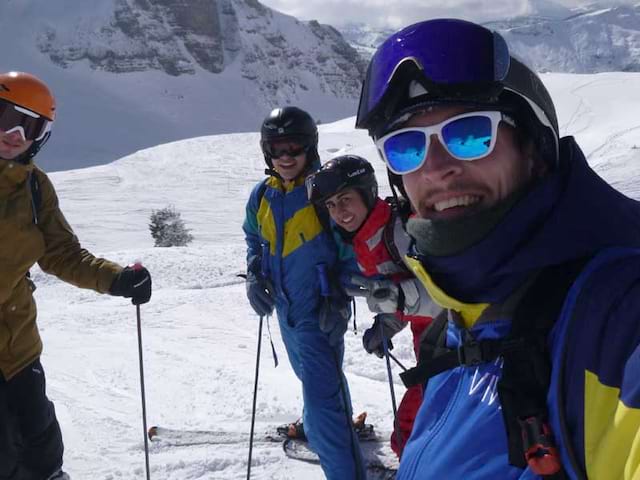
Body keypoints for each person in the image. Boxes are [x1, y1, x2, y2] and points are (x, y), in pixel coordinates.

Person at [355, 19, 640, 480]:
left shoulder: (617, 316)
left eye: (469, 134)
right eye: (406, 148)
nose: (437, 168)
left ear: (532, 148)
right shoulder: (460, 318)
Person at [0, 71, 152, 480]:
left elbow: (62, 254)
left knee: (41, 446)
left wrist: (116, 279)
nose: (15, 133)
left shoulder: (34, 188)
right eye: (5, 116)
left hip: (18, 346)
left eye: (29, 125)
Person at [242, 106, 365, 479]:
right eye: (276, 149)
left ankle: (340, 462)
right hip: (285, 310)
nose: (285, 157)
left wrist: (340, 297)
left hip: (319, 311)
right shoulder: (263, 194)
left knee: (322, 397)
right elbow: (253, 236)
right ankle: (319, 423)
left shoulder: (325, 190)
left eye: (293, 148)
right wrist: (253, 274)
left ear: (308, 147)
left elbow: (352, 244)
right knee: (314, 382)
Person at [306, 154, 436, 457]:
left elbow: (448, 296)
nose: (340, 212)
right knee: (418, 429)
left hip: (451, 345)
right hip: (429, 346)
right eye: (331, 205)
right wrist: (386, 325)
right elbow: (400, 292)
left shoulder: (402, 231)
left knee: (410, 430)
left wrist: (397, 297)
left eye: (345, 199)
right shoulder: (365, 237)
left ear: (366, 192)